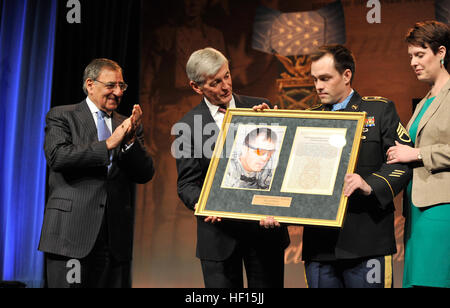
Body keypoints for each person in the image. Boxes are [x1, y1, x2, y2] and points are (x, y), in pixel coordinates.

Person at [257, 44, 413, 288]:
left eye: (325, 78)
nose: (318, 86)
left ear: (347, 75)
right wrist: (266, 126)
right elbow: (290, 175)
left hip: (367, 243)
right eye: (315, 79)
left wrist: (370, 185)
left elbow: (401, 164)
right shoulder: (308, 118)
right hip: (320, 247)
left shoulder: (379, 110)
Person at [175, 47, 290, 288]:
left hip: (263, 231)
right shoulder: (187, 126)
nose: (226, 86)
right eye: (215, 83)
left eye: (226, 76)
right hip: (219, 237)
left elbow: (282, 165)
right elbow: (187, 184)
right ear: (196, 87)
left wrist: (276, 126)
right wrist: (204, 204)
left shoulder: (261, 108)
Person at [39, 58, 155, 288]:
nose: (117, 92)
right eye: (111, 85)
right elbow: (58, 157)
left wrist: (131, 141)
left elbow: (144, 173)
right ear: (90, 84)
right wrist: (108, 144)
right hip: (70, 236)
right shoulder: (62, 116)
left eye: (121, 86)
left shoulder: (128, 124)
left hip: (113, 238)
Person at [387, 21, 450, 288]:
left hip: (441, 207)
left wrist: (417, 154)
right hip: (416, 207)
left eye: (420, 54)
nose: (413, 62)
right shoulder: (425, 100)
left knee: (433, 280)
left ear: (441, 52)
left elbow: (416, 153)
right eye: (411, 56)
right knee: (417, 281)